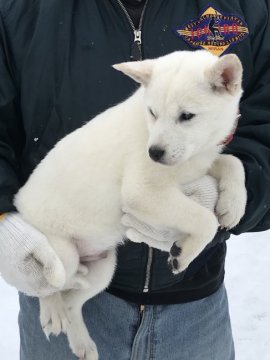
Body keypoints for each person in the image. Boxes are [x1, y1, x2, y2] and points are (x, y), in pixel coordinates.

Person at [0, 1, 269, 359]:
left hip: (195, 316)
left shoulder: (247, 7)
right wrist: (4, 223)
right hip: (61, 287)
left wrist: (234, 189)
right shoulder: (20, 11)